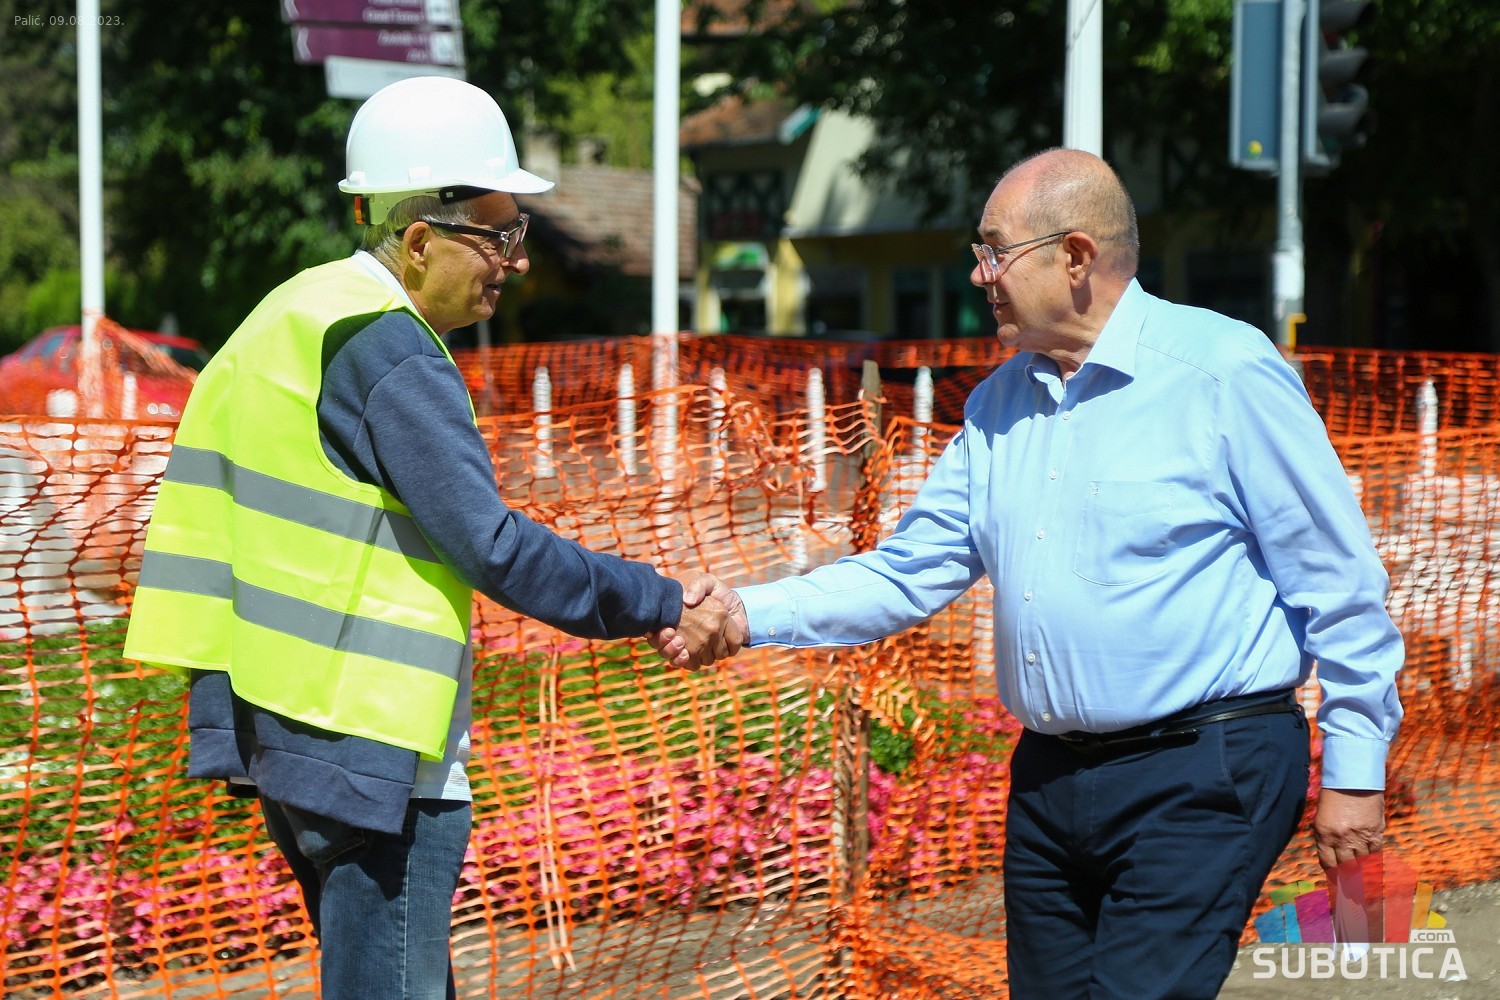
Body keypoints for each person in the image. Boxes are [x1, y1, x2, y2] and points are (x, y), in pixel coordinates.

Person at [656, 147, 1403, 998]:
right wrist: (744, 612)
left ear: (1075, 256)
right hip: (1052, 779)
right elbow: (907, 571)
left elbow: (1338, 583)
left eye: (995, 251)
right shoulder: (999, 402)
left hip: (1203, 769)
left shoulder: (1222, 371)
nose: (980, 275)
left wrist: (1355, 770)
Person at [124, 76, 740, 1000]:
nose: (516, 262)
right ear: (419, 241)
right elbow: (491, 545)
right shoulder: (392, 348)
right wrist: (660, 599)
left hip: (289, 727)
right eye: (499, 235)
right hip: (377, 749)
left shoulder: (292, 312)